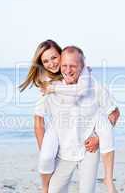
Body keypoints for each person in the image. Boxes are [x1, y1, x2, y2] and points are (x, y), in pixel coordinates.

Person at [19, 40, 103, 193]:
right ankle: (44, 189)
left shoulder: (81, 76)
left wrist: (99, 136)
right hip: (62, 138)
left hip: (85, 140)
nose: (51, 63)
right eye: (45, 61)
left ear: (62, 54)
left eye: (54, 57)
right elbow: (38, 119)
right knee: (46, 161)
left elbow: (99, 110)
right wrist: (44, 149)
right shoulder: (46, 84)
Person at [35, 46, 120, 193]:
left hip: (88, 150)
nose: (68, 70)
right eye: (65, 66)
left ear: (82, 67)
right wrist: (47, 155)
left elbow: (114, 113)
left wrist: (98, 138)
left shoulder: (94, 86)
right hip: (64, 153)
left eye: (73, 66)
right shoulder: (51, 88)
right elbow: (38, 122)